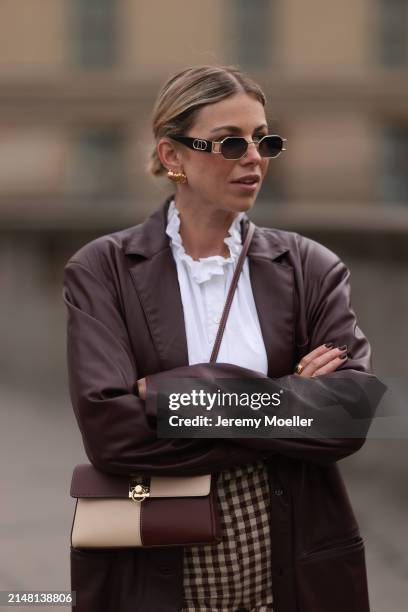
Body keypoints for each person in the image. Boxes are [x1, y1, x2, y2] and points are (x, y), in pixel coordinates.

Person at [63, 65, 384, 612]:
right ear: (172, 156)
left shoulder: (311, 267)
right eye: (230, 142)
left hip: (295, 554)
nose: (253, 157)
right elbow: (110, 431)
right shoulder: (103, 269)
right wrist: (283, 395)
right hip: (158, 565)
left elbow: (347, 414)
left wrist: (165, 396)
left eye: (263, 139)